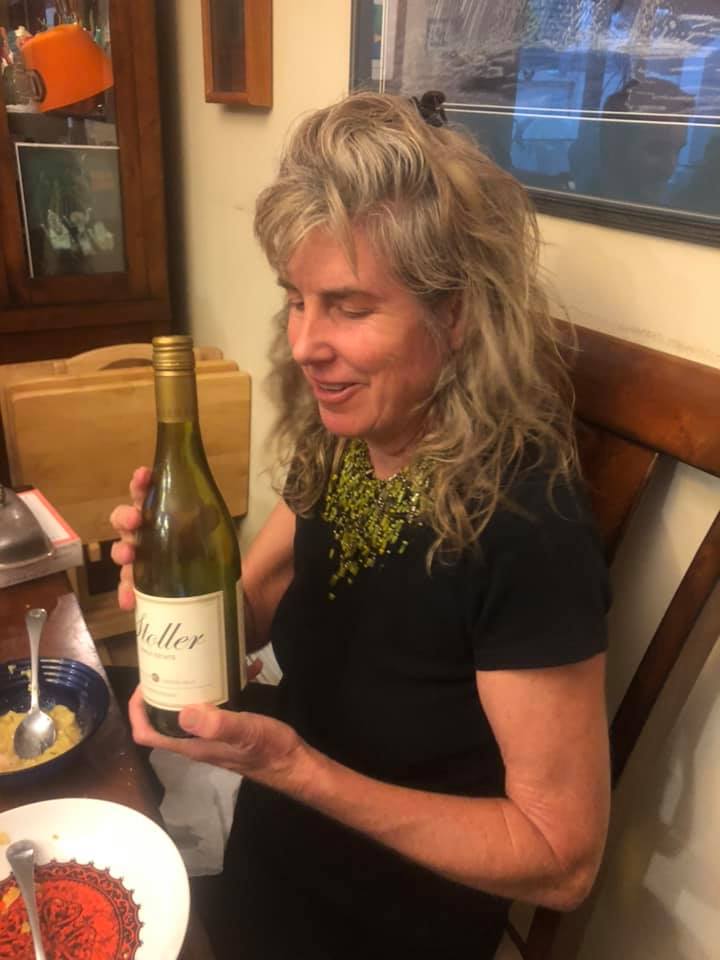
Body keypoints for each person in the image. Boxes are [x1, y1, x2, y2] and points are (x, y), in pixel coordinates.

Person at [110, 91, 610, 960]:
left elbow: (561, 859)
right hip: (274, 853)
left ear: (455, 314)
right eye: (297, 300)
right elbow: (251, 603)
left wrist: (292, 768)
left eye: (347, 306)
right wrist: (175, 592)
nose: (305, 343)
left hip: (391, 916)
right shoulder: (348, 437)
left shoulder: (527, 523)